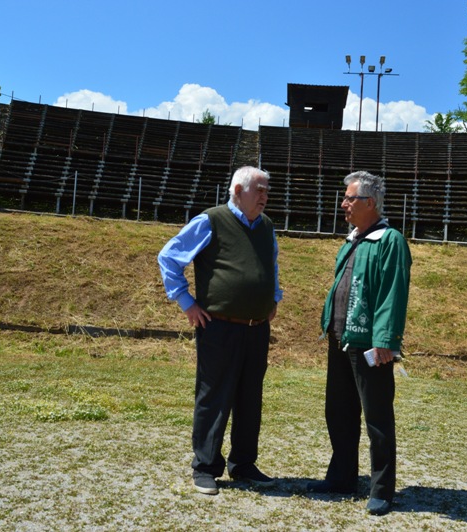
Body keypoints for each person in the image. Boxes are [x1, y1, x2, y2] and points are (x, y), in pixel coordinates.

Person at [157, 166, 282, 496]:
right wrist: (187, 303)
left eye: (267, 190)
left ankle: (243, 464)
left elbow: (272, 264)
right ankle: (205, 466)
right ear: (238, 191)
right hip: (219, 328)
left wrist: (274, 297)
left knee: (249, 397)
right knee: (214, 396)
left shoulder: (266, 227)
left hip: (257, 328)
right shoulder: (211, 220)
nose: (265, 196)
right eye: (260, 190)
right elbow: (169, 257)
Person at [307, 171, 412, 516]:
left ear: (369, 203)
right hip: (341, 340)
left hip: (370, 346)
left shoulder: (389, 240)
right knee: (339, 412)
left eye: (350, 198)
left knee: (377, 417)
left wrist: (385, 341)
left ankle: (381, 489)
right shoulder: (353, 239)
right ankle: (341, 477)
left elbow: (392, 294)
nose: (344, 204)